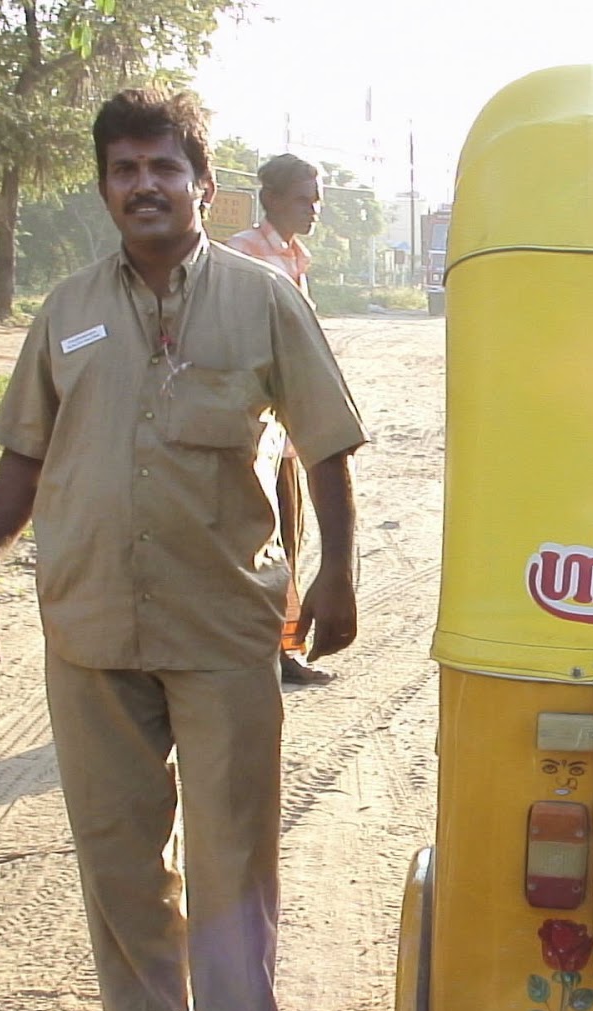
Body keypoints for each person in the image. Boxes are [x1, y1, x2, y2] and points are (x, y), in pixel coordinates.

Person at [0, 88, 366, 1011]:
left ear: (203, 187)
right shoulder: (66, 311)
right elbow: (24, 454)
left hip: (221, 620)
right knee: (117, 843)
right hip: (90, 619)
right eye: (125, 170)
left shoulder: (262, 300)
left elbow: (325, 443)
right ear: (105, 188)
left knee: (234, 843)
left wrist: (339, 573)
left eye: (163, 168)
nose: (144, 186)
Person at [226, 155, 329, 683]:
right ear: (270, 200)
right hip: (253, 433)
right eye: (303, 199)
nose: (314, 209)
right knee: (261, 544)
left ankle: (283, 647)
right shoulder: (241, 255)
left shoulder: (294, 259)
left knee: (290, 536)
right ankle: (265, 650)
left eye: (316, 200)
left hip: (286, 434)